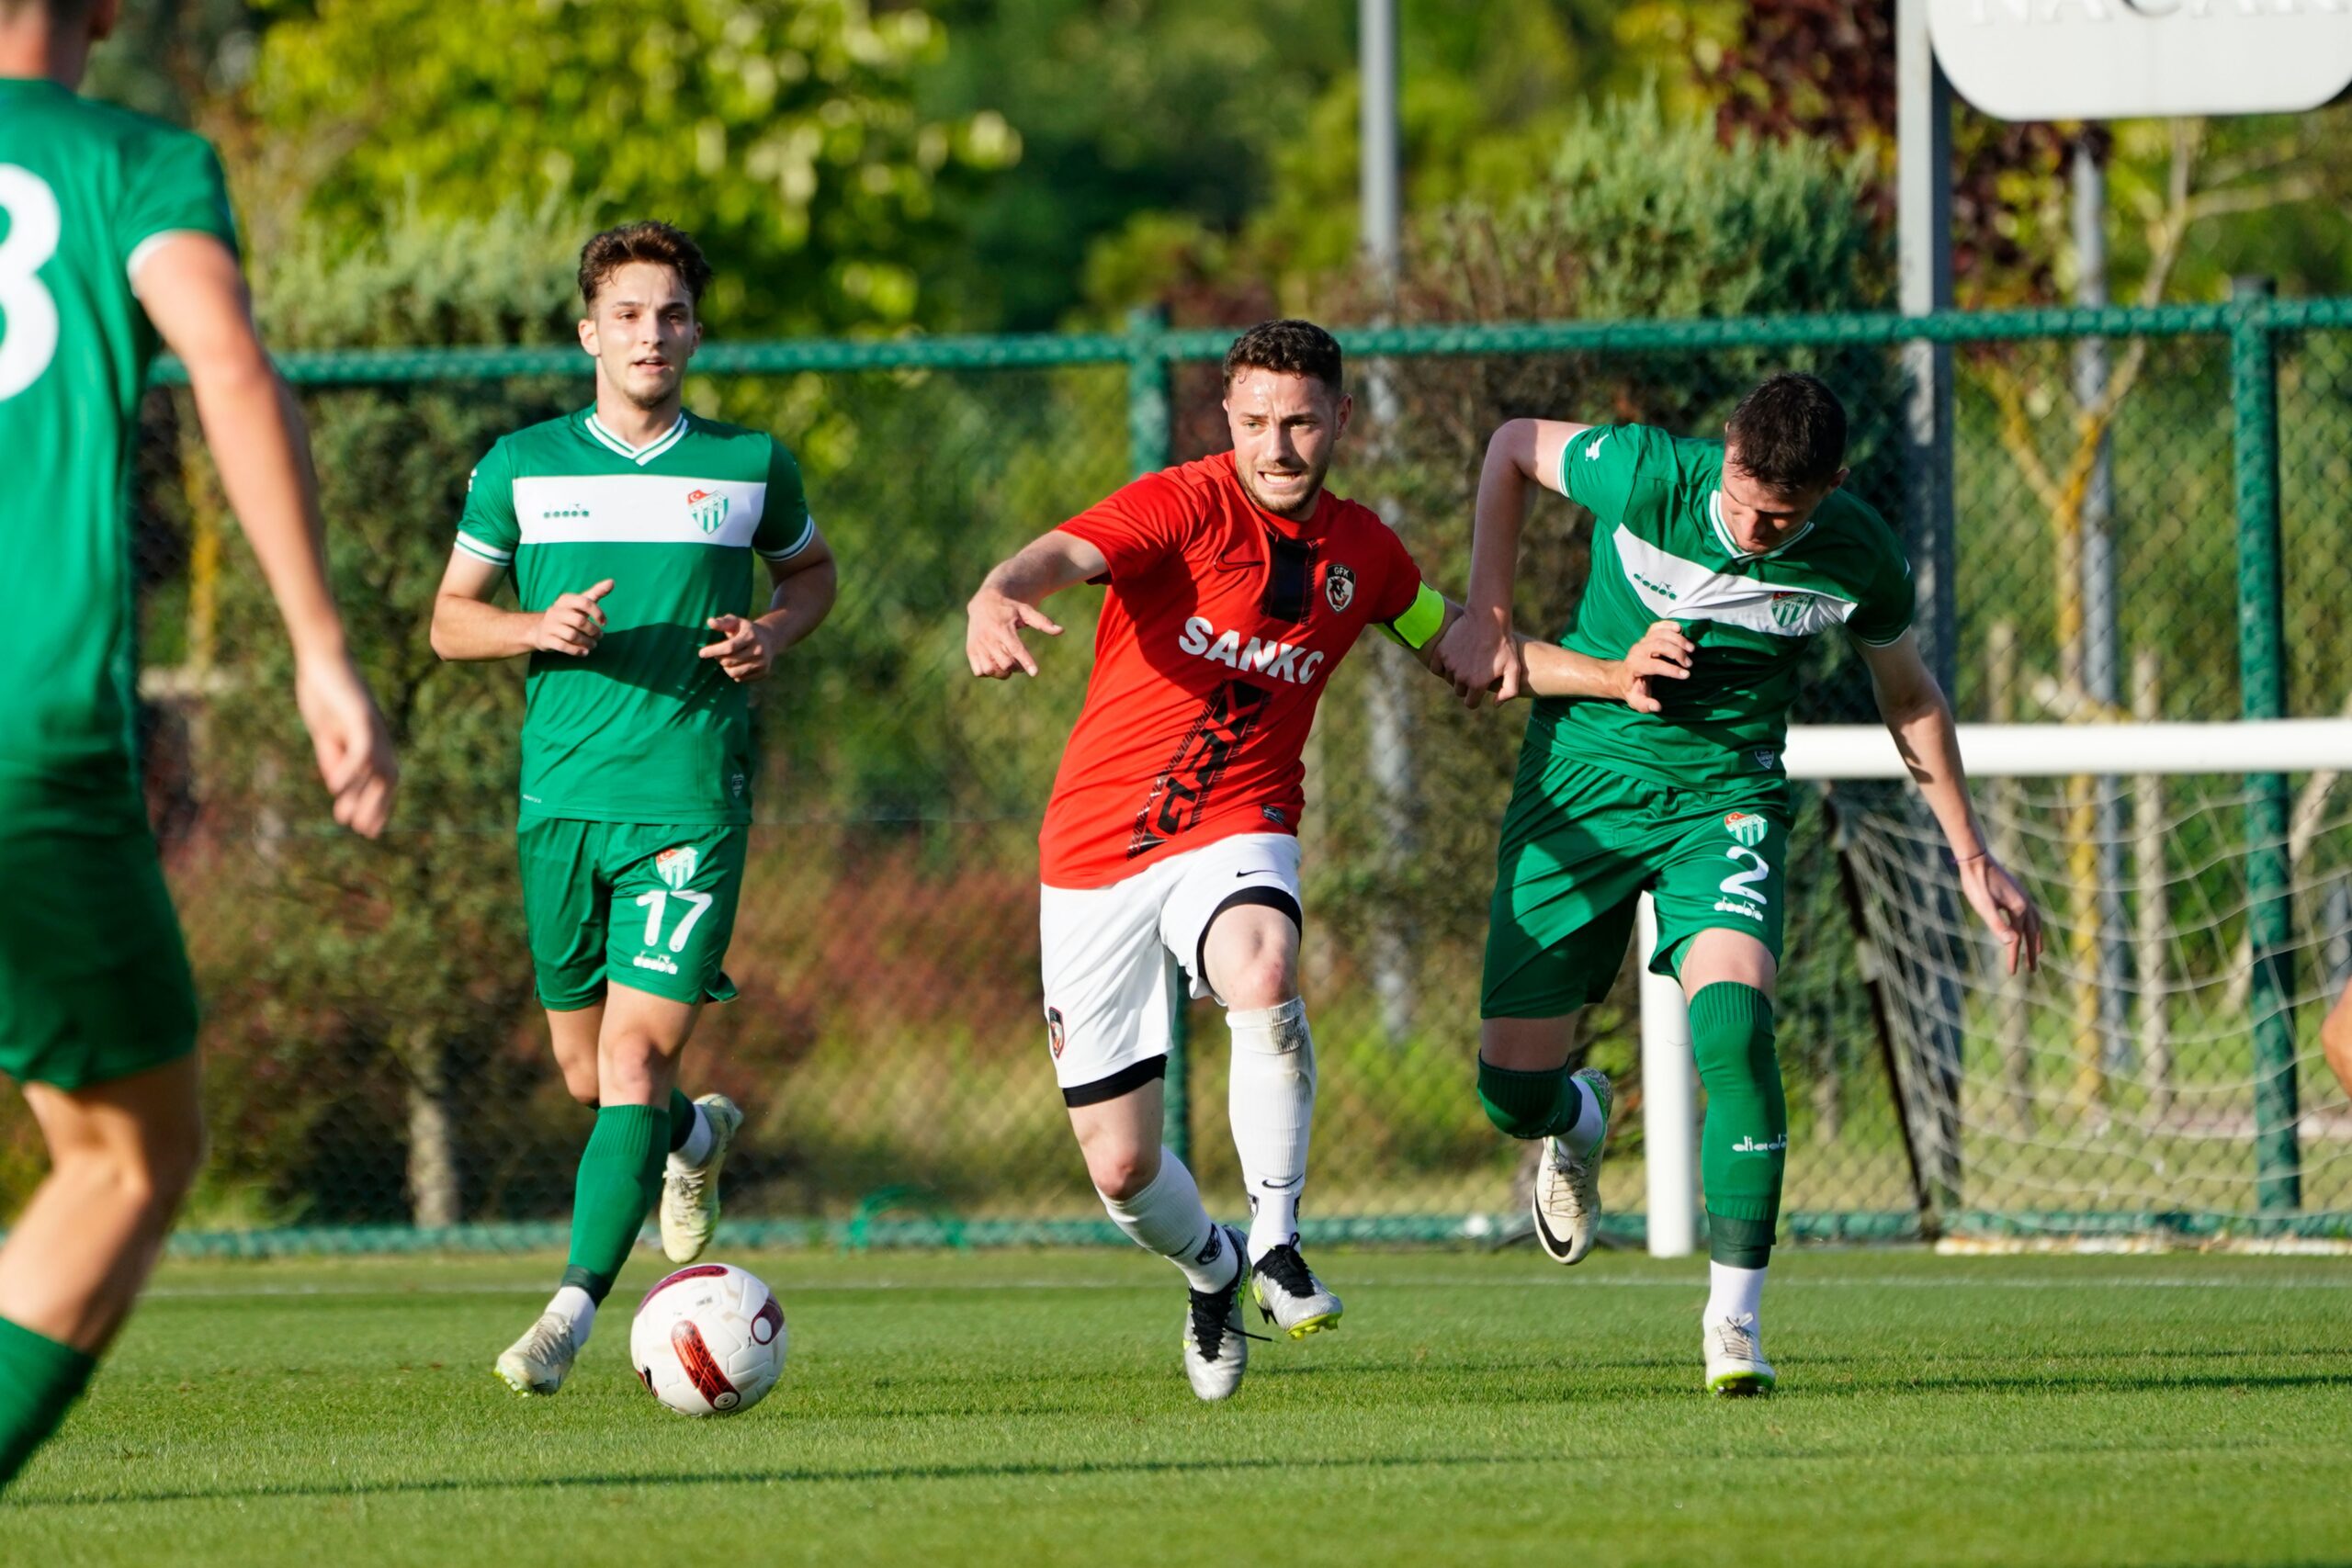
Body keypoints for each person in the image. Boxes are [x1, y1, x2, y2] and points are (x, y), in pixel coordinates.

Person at [1436, 372, 2044, 1395]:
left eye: (1785, 514)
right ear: (1723, 451)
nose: (1759, 528)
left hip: (1726, 800)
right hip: (1579, 785)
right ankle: (1579, 1119)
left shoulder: (1858, 553)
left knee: (1731, 1024)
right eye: (1748, 500)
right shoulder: (1643, 473)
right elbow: (1507, 446)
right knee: (1509, 1094)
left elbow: (1910, 698)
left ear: (1831, 487)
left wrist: (1970, 853)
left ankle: (1734, 1323)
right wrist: (1491, 612)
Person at [0, 0, 397, 1490]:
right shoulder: (134, 161)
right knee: (125, 1157)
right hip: (25, 731)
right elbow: (226, 365)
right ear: (101, 10)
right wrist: (319, 650)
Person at [964, 319, 1465, 1400]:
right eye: (1252, 423)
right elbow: (1063, 553)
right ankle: (1213, 1267)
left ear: (1341, 418)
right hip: (1095, 851)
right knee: (1121, 1167)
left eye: (1297, 422)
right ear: (1223, 420)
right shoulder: (1183, 503)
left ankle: (1277, 1242)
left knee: (1263, 970)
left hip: (1235, 823)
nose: (1275, 446)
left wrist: (1607, 674)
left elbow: (1456, 639)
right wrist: (1001, 587)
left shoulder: (1366, 553)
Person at [430, 220, 836, 1396]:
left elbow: (810, 578)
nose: (650, 334)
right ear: (587, 332)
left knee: (635, 1053)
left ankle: (568, 1313)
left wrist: (771, 630)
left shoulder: (750, 461)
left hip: (690, 802)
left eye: (670, 314)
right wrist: (530, 628)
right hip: (559, 804)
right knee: (591, 1078)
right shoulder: (521, 465)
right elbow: (451, 619)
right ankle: (695, 1142)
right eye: (627, 314)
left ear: (695, 332)